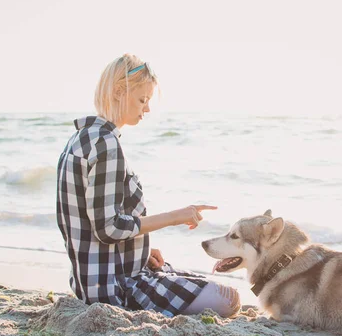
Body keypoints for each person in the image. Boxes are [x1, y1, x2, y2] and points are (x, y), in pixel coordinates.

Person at [56, 54, 240, 318]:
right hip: (114, 287)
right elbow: (108, 228)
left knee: (191, 280)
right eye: (143, 100)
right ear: (119, 91)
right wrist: (174, 217)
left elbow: (92, 224)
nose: (147, 109)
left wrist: (140, 249)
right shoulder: (105, 144)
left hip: (91, 281)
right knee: (229, 299)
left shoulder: (81, 138)